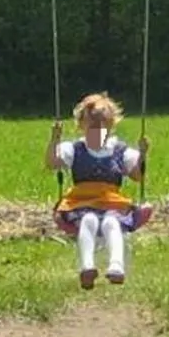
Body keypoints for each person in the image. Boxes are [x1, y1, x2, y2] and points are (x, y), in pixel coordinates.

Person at [46, 92, 149, 288]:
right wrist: (54, 140)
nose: (98, 130)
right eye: (92, 126)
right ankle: (87, 267)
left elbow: (137, 176)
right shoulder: (74, 149)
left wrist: (143, 155)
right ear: (81, 125)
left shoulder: (119, 150)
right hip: (81, 202)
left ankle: (116, 266)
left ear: (111, 125)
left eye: (103, 125)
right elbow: (52, 163)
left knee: (112, 223)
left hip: (112, 202)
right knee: (89, 220)